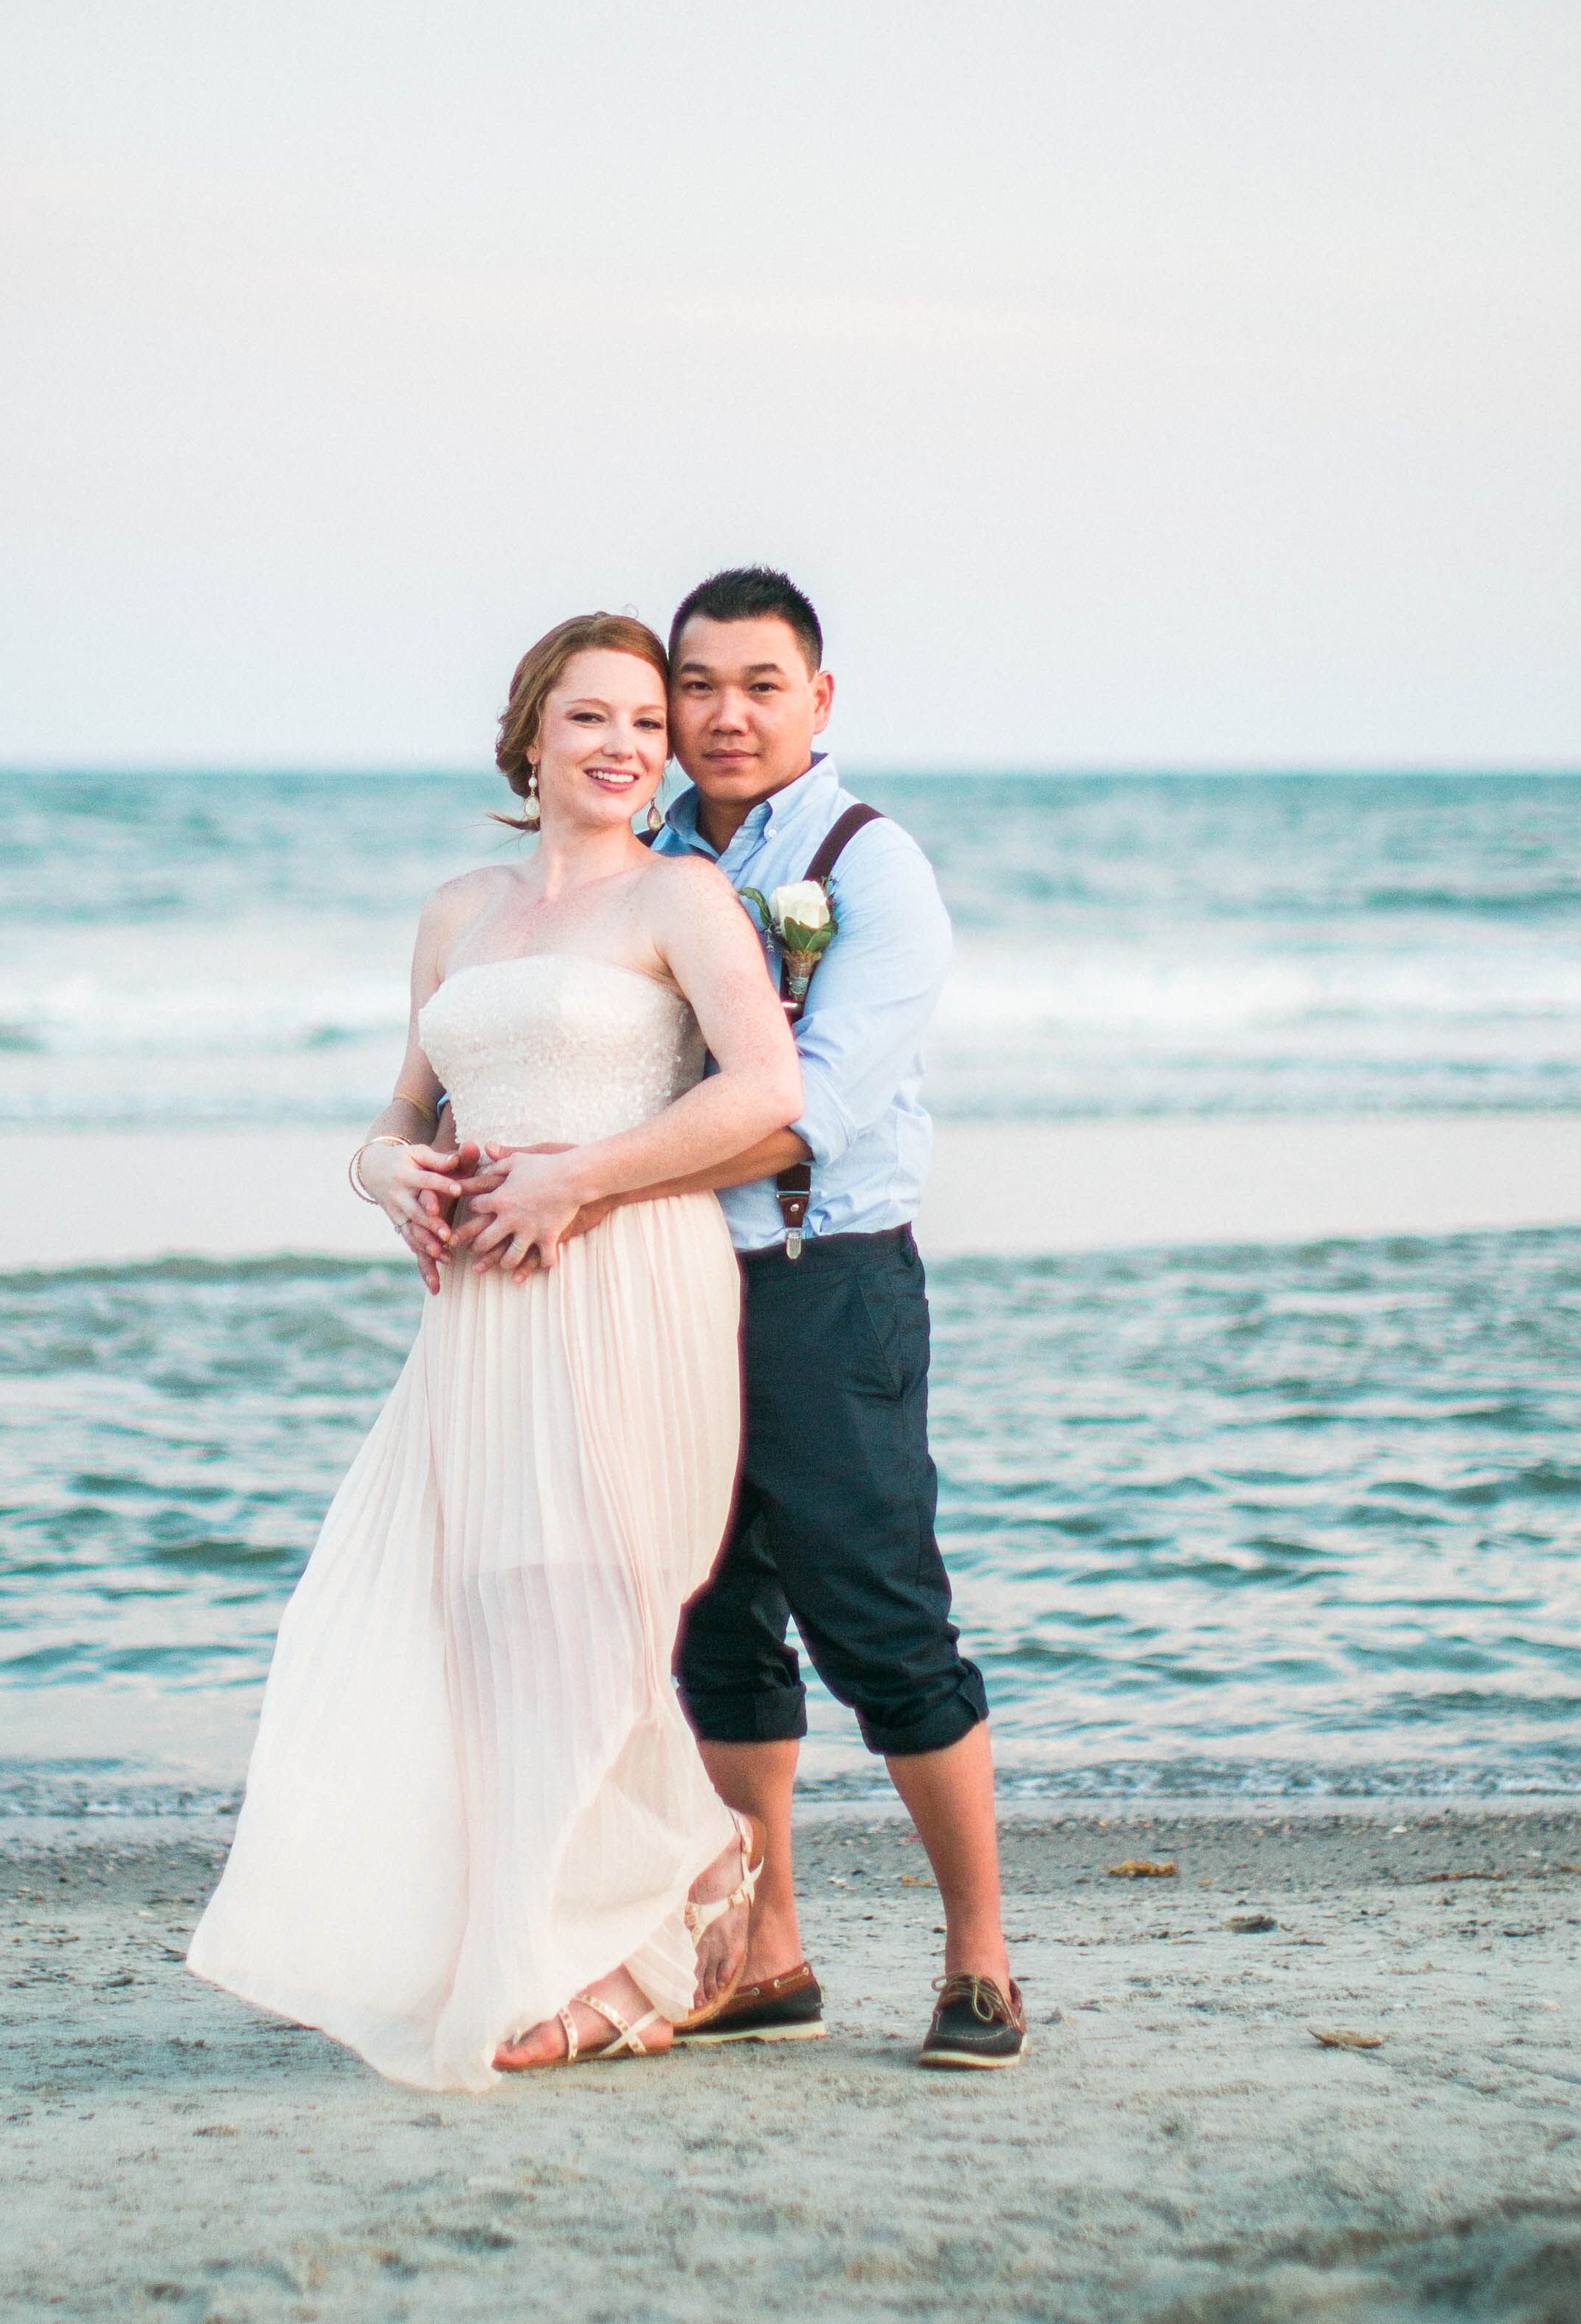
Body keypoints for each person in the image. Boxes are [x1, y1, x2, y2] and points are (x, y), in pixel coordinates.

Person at [186, 612, 803, 2091]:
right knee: (480, 1621)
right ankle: (586, 1932)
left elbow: (768, 1092)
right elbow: (409, 1112)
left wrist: (581, 1175)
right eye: (593, 718)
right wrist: (382, 1173)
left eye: (649, 726)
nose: (626, 748)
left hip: (624, 1285)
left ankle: (663, 1915)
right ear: (529, 734)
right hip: (481, 1314)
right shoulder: (457, 910)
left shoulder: (686, 900)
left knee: (593, 1616)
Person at [654, 564, 1022, 2069]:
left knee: (882, 1618)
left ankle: (982, 1962)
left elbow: (814, 1113)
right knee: (715, 1618)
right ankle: (768, 1948)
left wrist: (590, 1181)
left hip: (826, 1279)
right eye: (697, 685)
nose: (724, 714)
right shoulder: (651, 853)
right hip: (665, 1287)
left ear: (819, 698)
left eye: (759, 684)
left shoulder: (875, 869)